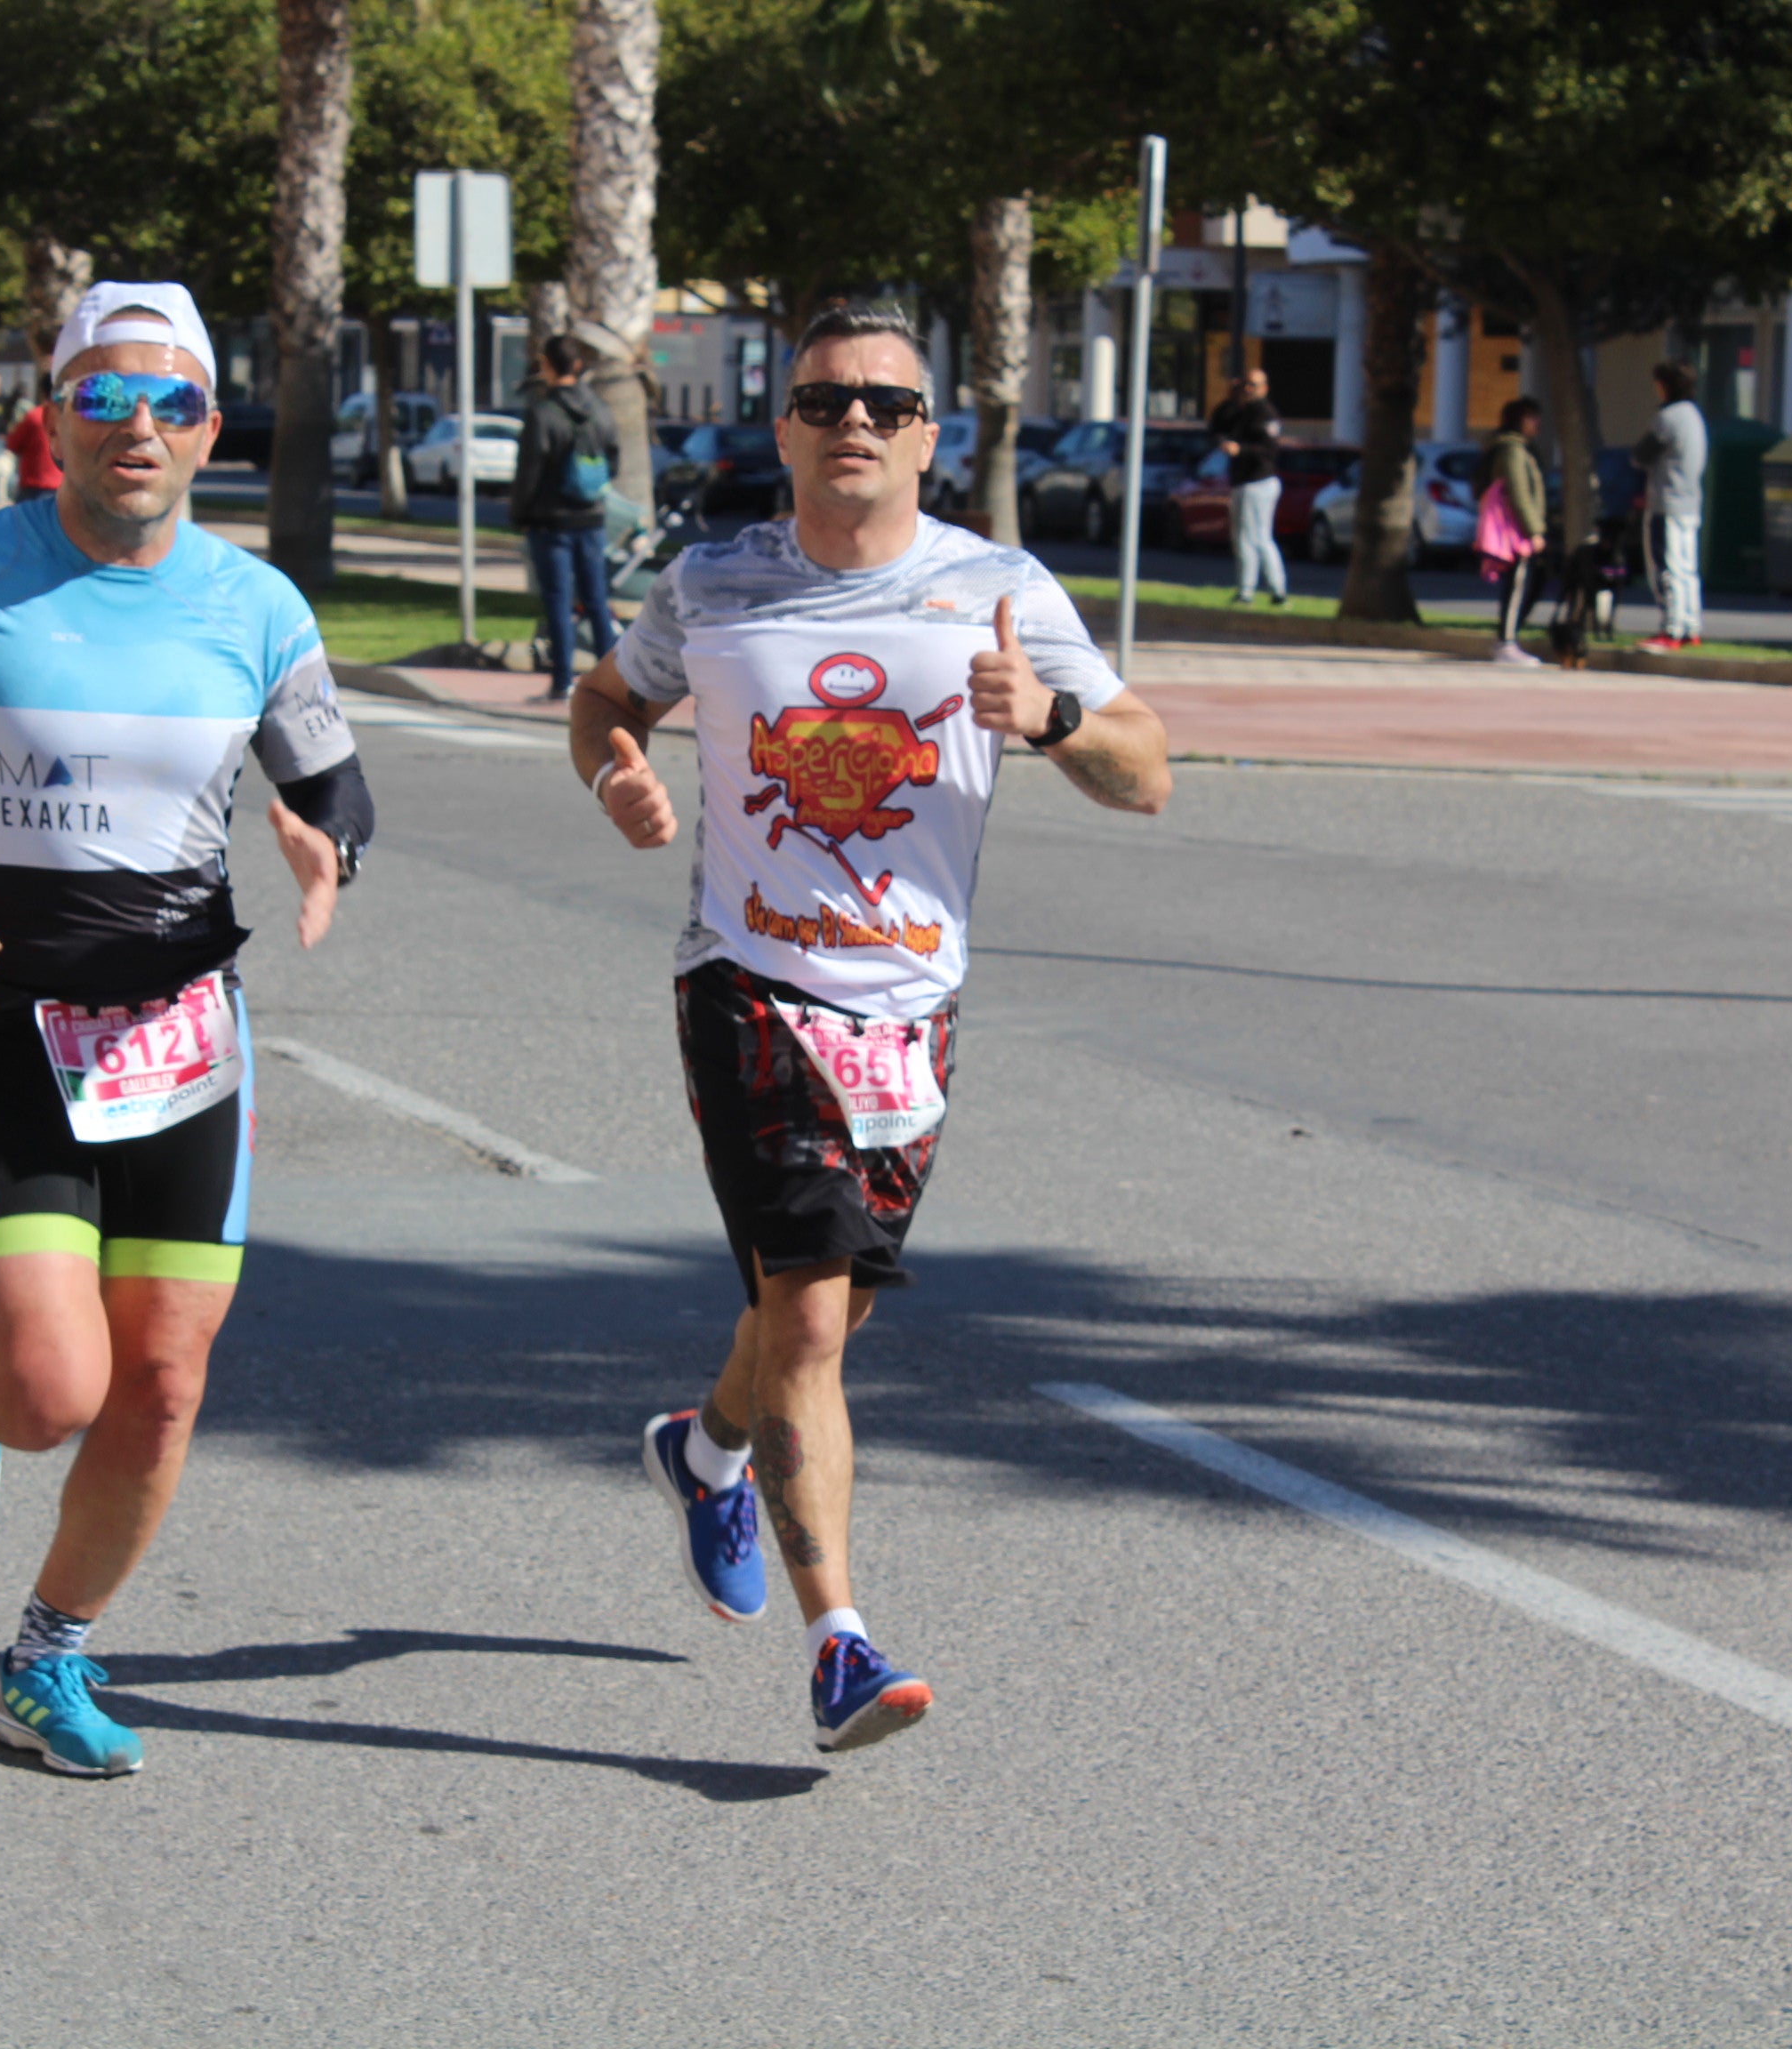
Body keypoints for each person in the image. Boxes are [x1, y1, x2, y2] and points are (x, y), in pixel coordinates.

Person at [0, 282, 376, 1779]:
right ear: (53, 417)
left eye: (170, 402)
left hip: (181, 1031)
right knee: (50, 1392)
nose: (139, 428)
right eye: (105, 398)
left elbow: (334, 780)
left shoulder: (258, 607)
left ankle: (48, 1654)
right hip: (2, 1021)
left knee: (164, 1377)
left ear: (209, 430)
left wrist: (326, 841)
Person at [568, 303, 1172, 1754]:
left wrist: (1046, 717)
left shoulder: (1000, 589)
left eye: (888, 405)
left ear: (930, 436)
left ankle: (702, 1447)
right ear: (781, 425)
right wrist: (615, 781)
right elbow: (604, 703)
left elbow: (1146, 770)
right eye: (826, 399)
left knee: (817, 1305)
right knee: (816, 1313)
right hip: (747, 980)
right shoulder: (713, 587)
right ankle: (838, 1635)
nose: (855, 422)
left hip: (910, 1007)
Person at [511, 334, 623, 703]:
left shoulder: (542, 412)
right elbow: (614, 459)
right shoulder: (600, 409)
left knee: (558, 600)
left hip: (550, 521)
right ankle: (611, 682)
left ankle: (563, 681)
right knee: (596, 599)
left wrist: (520, 513)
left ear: (547, 365)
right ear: (577, 365)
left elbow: (530, 469)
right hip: (590, 518)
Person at [1635, 360, 1708, 655]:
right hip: (1690, 502)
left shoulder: (1668, 418)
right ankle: (1690, 626)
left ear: (1665, 385)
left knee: (1666, 567)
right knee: (1687, 568)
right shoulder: (1694, 416)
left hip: (1667, 503)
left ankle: (1671, 629)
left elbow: (1641, 455)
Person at [1474, 396, 1549, 665]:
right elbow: (1518, 492)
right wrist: (1534, 530)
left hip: (1515, 528)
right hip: (1515, 530)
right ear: (1520, 420)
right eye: (1532, 417)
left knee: (1527, 582)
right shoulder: (1513, 450)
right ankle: (1506, 642)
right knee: (1518, 583)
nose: (1537, 423)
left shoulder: (1512, 447)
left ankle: (1508, 638)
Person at [1209, 366, 1286, 607]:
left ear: (1265, 388)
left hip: (1259, 482)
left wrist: (1240, 449)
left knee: (1256, 538)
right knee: (1244, 537)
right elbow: (1216, 426)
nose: (1248, 389)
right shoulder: (1241, 412)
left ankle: (1268, 591)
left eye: (1253, 385)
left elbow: (1269, 449)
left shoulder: (1265, 414)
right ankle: (1251, 590)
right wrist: (1229, 397)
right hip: (1243, 482)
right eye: (1245, 385)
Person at [3, 386, 63, 505]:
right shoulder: (71, 418)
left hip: (33, 485)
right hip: (61, 485)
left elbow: (12, 444)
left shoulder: (34, 417)